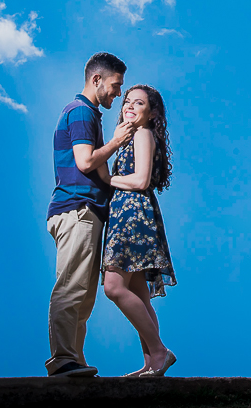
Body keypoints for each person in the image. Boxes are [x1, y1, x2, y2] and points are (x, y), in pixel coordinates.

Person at [45, 52, 134, 377]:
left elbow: (100, 175)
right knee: (72, 287)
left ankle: (73, 362)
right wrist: (116, 142)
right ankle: (62, 360)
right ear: (96, 79)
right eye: (114, 85)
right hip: (77, 210)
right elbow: (85, 162)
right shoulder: (82, 111)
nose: (117, 93)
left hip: (85, 211)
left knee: (83, 292)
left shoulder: (88, 113)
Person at [99, 84, 177, 377]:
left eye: (139, 103)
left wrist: (109, 178)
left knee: (114, 287)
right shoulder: (131, 136)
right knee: (139, 297)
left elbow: (141, 180)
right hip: (127, 214)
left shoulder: (143, 134)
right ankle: (151, 362)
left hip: (133, 216)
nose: (129, 106)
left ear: (152, 113)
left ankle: (159, 352)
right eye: (127, 102)